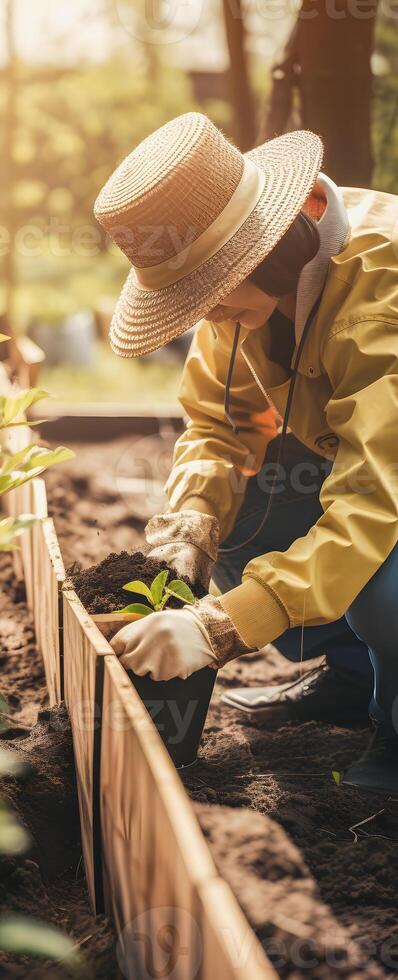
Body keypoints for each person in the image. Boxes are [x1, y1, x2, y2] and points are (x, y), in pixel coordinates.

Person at [94, 112, 398, 794]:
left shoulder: (381, 293)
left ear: (274, 248)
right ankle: (356, 679)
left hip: (389, 486)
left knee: (386, 593)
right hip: (372, 473)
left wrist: (221, 627)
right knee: (239, 519)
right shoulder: (242, 300)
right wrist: (189, 528)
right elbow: (216, 429)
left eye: (206, 293)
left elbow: (377, 499)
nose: (202, 315)